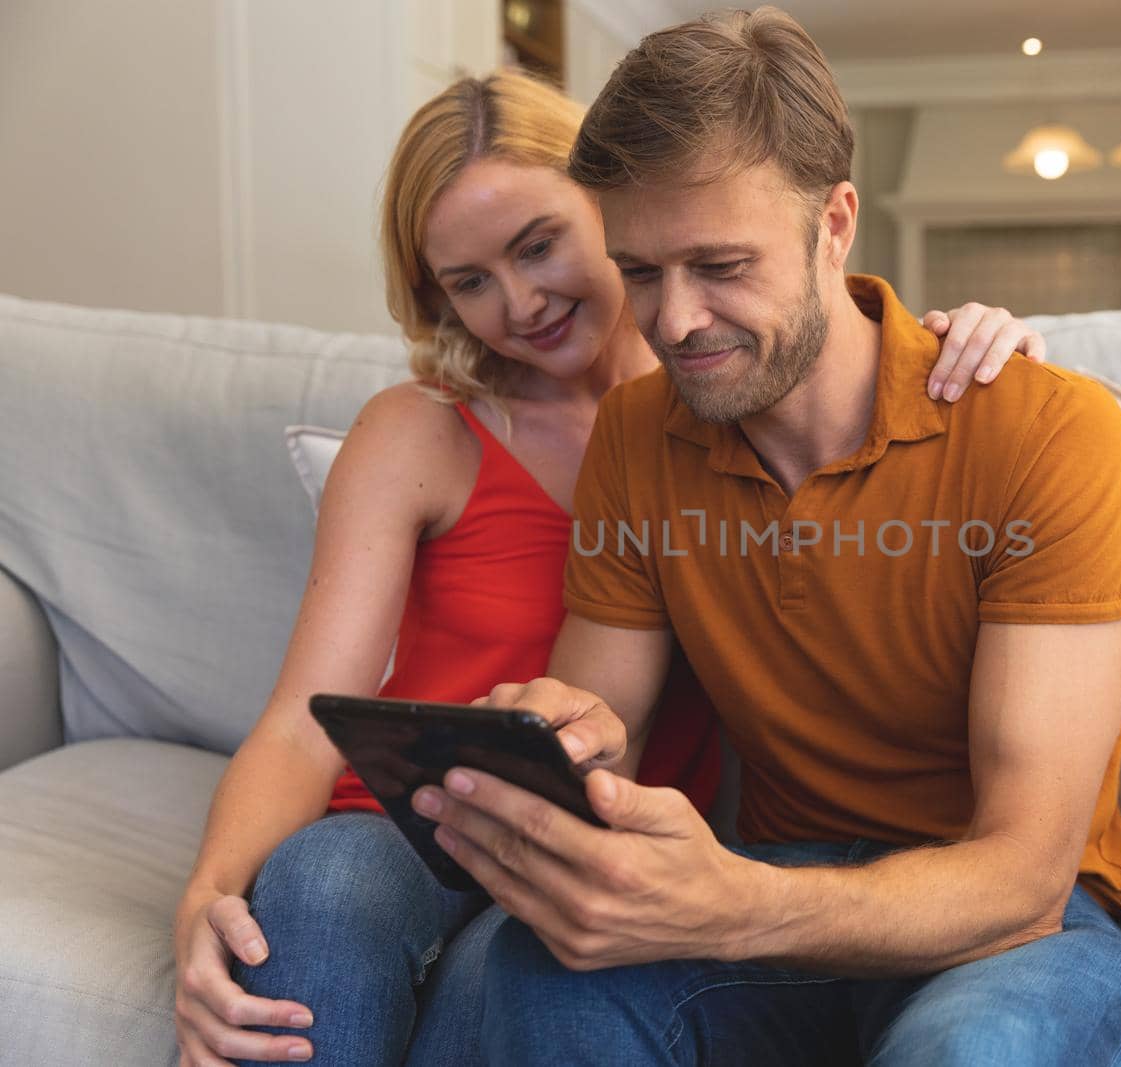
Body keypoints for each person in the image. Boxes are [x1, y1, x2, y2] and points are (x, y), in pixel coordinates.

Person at [169, 65, 1050, 1067]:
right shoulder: (422, 432)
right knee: (327, 880)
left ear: (616, 199)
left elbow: (862, 371)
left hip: (597, 827)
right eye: (468, 281)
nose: (519, 301)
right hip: (418, 825)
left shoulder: (739, 400)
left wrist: (977, 337)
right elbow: (302, 718)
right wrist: (207, 894)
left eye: (537, 245)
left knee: (539, 968)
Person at [416, 8, 1121, 1065]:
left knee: (972, 1052)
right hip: (776, 872)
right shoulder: (638, 433)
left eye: (720, 264)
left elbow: (1022, 873)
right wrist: (548, 746)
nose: (674, 321)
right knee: (541, 987)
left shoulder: (1042, 428)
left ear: (834, 223)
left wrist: (739, 905)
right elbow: (608, 722)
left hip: (1013, 929)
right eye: (638, 271)